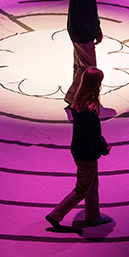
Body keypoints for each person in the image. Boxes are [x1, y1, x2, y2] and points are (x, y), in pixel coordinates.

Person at [46, 67, 113, 230]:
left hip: (78, 149)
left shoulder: (78, 103)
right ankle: (56, 215)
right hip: (87, 154)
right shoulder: (90, 110)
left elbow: (90, 133)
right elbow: (93, 135)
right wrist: (103, 148)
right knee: (82, 188)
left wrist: (101, 142)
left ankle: (93, 218)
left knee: (92, 185)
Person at [63, 0, 108, 104]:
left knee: (79, 66)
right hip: (82, 34)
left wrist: (97, 27)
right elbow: (87, 16)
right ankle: (78, 98)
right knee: (89, 69)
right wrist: (96, 32)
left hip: (76, 31)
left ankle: (74, 96)